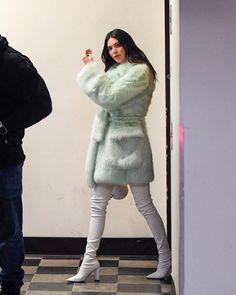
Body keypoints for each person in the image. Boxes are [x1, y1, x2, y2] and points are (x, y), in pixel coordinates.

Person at [67, 28, 171, 283]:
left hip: (130, 144)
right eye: (110, 47)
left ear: (127, 45)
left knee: (144, 204)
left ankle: (166, 259)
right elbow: (106, 98)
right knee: (97, 203)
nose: (114, 51)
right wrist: (95, 70)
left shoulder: (140, 71)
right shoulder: (114, 71)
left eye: (117, 45)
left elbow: (109, 98)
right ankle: (90, 261)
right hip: (109, 144)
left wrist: (91, 69)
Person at [0, 35, 52, 295]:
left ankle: (10, 284)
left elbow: (43, 104)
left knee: (9, 228)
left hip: (5, 160)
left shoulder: (15, 64)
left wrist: (5, 124)